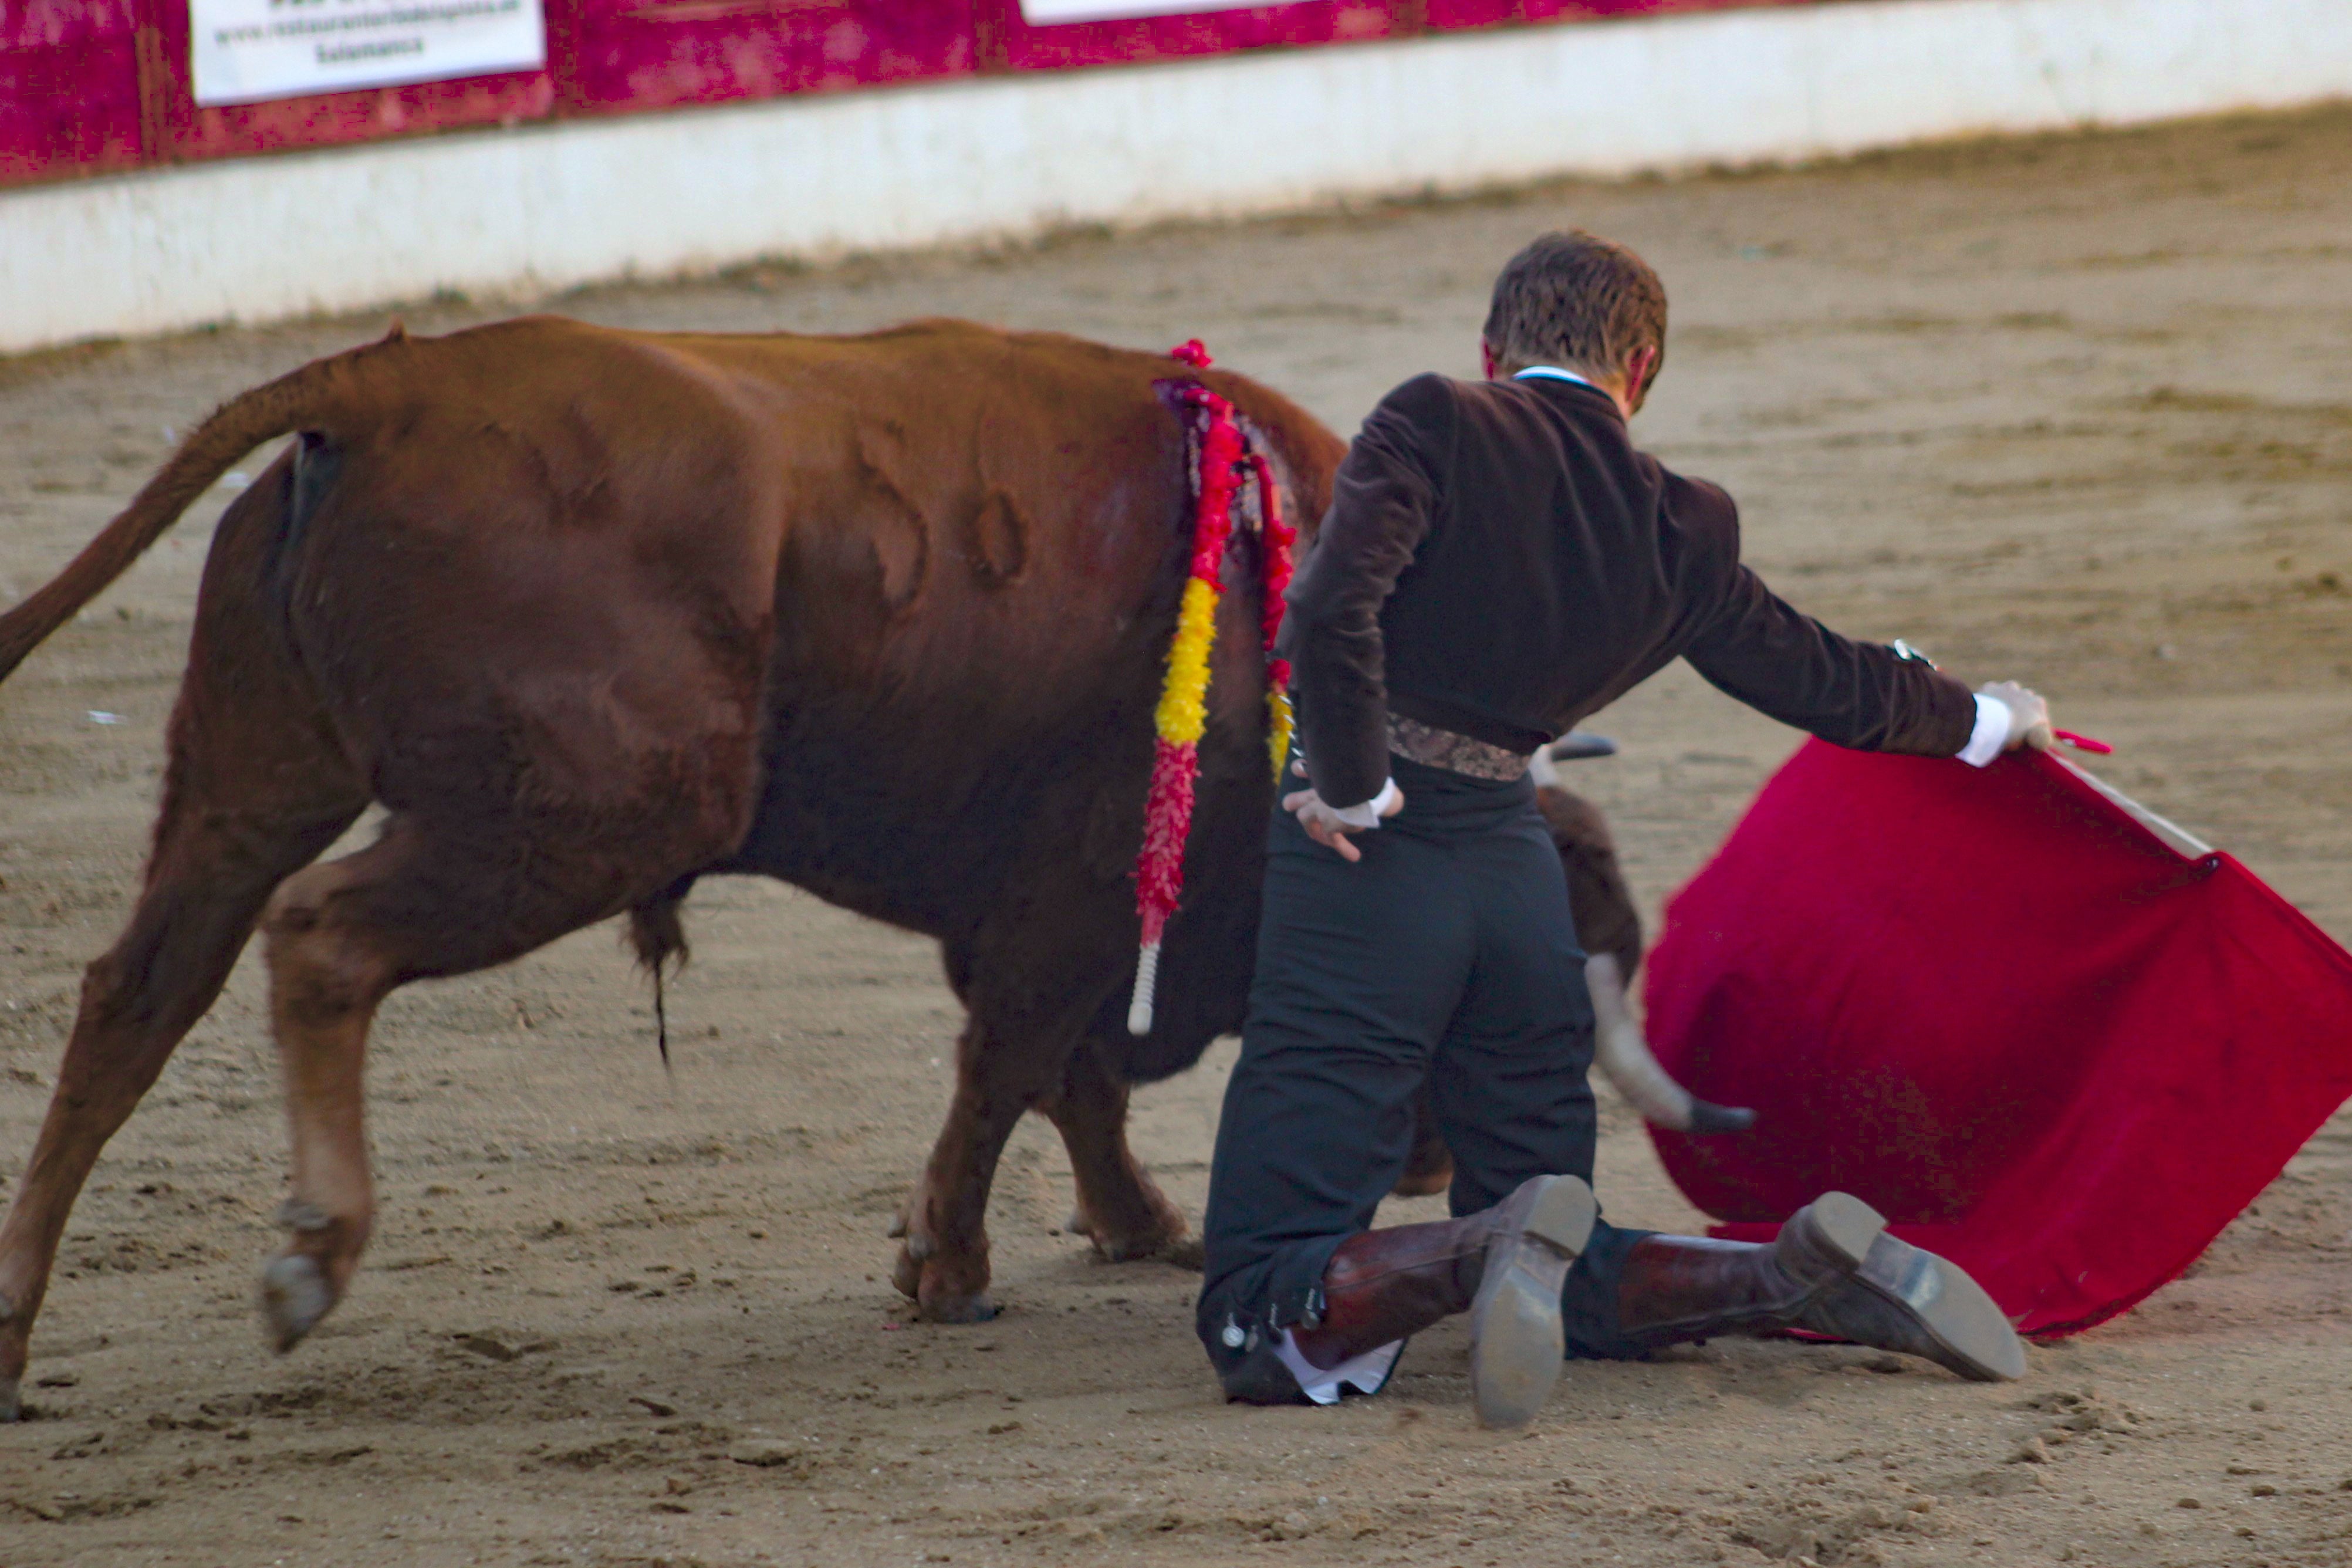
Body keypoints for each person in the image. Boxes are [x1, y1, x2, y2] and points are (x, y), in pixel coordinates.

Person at [1196, 231, 2045, 1425]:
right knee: (1572, 1257)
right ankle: (1779, 1274)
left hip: (1372, 867)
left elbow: (1333, 605)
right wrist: (1986, 720)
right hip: (1518, 876)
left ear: (1491, 350)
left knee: (1256, 1303)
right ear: (1641, 370)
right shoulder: (1683, 523)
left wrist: (1348, 781)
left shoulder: (1437, 420)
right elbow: (1825, 679)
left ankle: (1479, 1248)